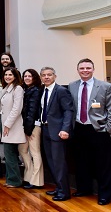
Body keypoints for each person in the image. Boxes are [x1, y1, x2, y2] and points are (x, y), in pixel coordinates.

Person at [68, 58, 111, 206]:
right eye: (82, 68)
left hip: (99, 130)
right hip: (79, 128)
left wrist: (108, 128)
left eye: (88, 68)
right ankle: (83, 189)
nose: (85, 70)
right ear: (78, 70)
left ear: (93, 69)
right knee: (81, 161)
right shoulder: (72, 86)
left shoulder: (105, 86)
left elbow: (110, 109)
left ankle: (104, 194)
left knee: (103, 164)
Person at [40, 66, 74, 201]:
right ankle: (58, 187)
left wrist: (65, 129)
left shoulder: (61, 91)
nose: (46, 77)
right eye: (44, 75)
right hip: (45, 130)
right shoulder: (43, 90)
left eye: (49, 75)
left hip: (58, 132)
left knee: (59, 163)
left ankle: (64, 192)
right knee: (51, 161)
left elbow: (68, 111)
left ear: (55, 76)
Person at [0, 67, 25, 188]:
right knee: (8, 154)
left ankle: (15, 180)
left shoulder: (18, 88)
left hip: (12, 126)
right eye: (6, 74)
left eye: (10, 75)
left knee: (10, 154)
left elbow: (17, 109)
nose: (7, 76)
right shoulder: (6, 88)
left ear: (15, 76)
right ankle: (10, 179)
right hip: (5, 124)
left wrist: (7, 124)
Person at [19, 69, 44, 189]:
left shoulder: (36, 91)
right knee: (23, 151)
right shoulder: (25, 90)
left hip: (33, 126)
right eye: (25, 76)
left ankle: (37, 181)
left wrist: (28, 130)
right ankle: (28, 177)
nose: (27, 78)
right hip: (25, 126)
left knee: (35, 152)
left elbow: (32, 111)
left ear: (35, 78)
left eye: (30, 76)